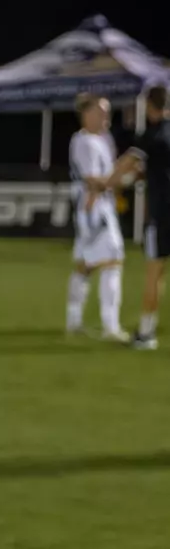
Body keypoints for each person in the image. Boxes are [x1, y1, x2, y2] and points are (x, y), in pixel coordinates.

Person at [64, 94, 131, 342]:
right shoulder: (85, 142)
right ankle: (111, 326)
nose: (106, 117)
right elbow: (94, 181)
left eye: (108, 112)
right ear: (86, 114)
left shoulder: (101, 139)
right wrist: (125, 169)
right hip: (94, 209)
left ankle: (73, 321)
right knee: (113, 260)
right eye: (101, 112)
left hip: (98, 207)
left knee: (87, 265)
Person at [121, 85, 167, 350]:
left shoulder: (151, 135)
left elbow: (128, 163)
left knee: (155, 273)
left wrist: (105, 183)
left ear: (149, 106)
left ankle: (146, 334)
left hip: (161, 215)